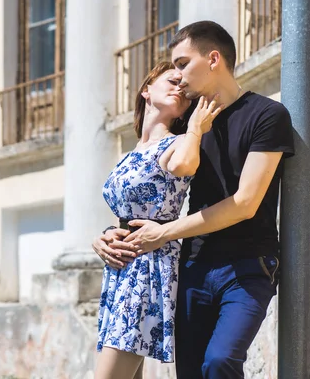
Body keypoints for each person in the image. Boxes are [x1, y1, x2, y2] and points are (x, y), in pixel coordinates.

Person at [92, 21, 295, 379]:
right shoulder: (189, 128)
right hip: (193, 266)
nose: (179, 77)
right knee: (189, 372)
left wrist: (166, 233)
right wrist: (113, 232)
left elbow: (245, 202)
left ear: (213, 58)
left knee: (219, 361)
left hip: (248, 265)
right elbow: (152, 193)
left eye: (183, 64)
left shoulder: (266, 115)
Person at [94, 61, 224, 379]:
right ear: (146, 90)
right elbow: (125, 213)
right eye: (172, 80)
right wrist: (104, 235)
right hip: (121, 269)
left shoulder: (177, 143)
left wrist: (195, 128)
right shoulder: (130, 154)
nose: (180, 87)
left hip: (147, 268)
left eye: (184, 86)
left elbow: (185, 166)